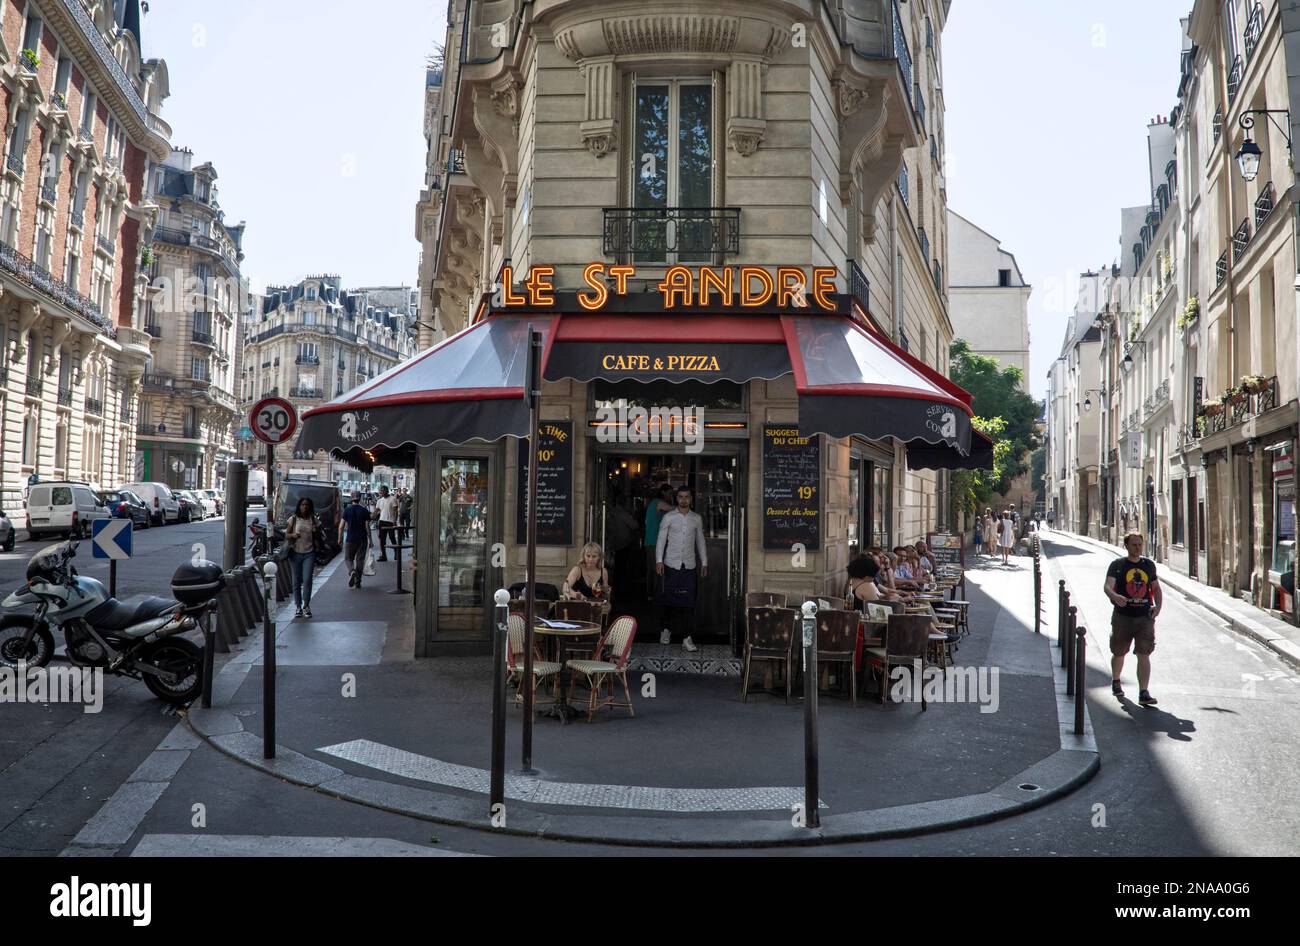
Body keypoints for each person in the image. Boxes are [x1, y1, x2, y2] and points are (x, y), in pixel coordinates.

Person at [1104, 531, 1162, 706]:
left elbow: (1156, 588)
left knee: (1144, 653)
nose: (1137, 548)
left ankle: (1143, 692)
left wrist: (1158, 607)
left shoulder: (1149, 566)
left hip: (1145, 617)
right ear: (1127, 546)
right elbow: (1107, 587)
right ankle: (1116, 681)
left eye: (1139, 544)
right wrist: (1115, 597)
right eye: (1134, 544)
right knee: (1119, 652)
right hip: (1123, 616)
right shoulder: (1117, 565)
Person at [655, 485, 707, 652]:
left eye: (687, 497)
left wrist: (704, 562)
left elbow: (700, 541)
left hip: (689, 565)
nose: (684, 500)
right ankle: (666, 630)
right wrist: (659, 560)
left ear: (691, 499)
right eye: (681, 497)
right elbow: (661, 540)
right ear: (676, 499)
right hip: (671, 564)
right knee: (668, 600)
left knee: (689, 602)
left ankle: (687, 637)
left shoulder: (696, 518)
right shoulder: (668, 517)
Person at [284, 497, 322, 618]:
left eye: (307, 505)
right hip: (295, 553)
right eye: (302, 505)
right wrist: (293, 535)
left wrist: (316, 530)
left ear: (310, 507)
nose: (304, 507)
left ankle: (306, 606)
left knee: (307, 580)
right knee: (296, 581)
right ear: (299, 506)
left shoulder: (313, 519)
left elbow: (319, 535)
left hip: (309, 553)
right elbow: (286, 535)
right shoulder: (293, 519)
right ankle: (298, 606)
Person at [643, 483, 674, 601]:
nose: (671, 496)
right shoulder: (658, 502)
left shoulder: (653, 505)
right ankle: (654, 594)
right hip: (653, 541)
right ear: (663, 493)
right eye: (670, 493)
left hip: (653, 541)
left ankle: (653, 593)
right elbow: (673, 509)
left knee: (653, 568)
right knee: (655, 568)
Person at [341, 491, 372, 588]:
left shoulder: (347, 510)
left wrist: (339, 538)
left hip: (350, 538)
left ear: (351, 498)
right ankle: (358, 581)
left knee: (348, 558)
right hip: (362, 539)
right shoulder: (364, 510)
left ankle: (352, 571)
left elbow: (341, 526)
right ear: (360, 498)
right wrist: (370, 539)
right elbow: (367, 526)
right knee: (360, 560)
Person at [375, 485, 400, 561]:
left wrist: (395, 521)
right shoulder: (379, 500)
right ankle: (383, 555)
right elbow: (377, 511)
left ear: (387, 491)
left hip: (390, 521)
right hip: (382, 521)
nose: (381, 492)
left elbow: (395, 511)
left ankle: (396, 554)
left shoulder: (393, 499)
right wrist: (371, 517)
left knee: (392, 538)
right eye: (380, 491)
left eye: (382, 491)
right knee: (382, 539)